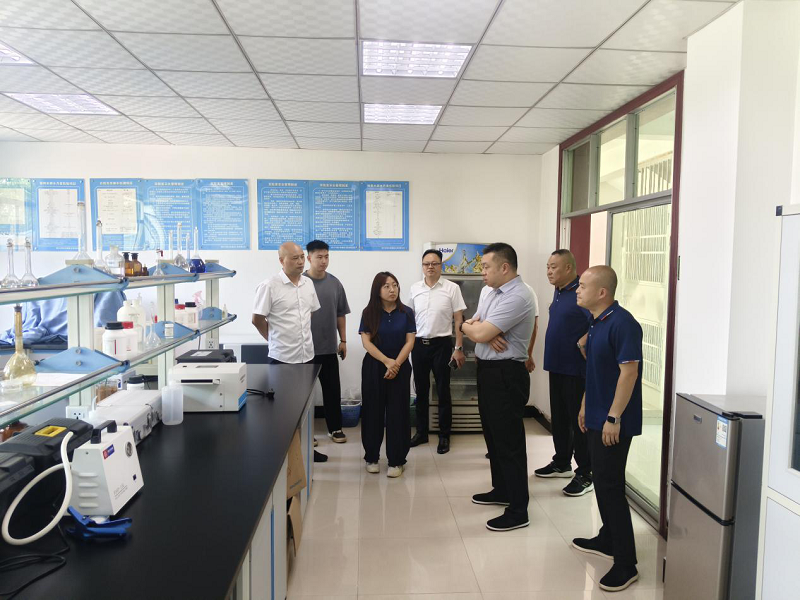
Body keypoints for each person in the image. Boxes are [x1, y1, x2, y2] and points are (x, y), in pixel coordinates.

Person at [573, 265, 642, 593]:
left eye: (583, 286)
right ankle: (607, 538)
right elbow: (597, 371)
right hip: (597, 415)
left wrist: (613, 417)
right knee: (601, 481)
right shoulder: (596, 321)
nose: (578, 290)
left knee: (611, 486)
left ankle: (626, 563)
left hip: (613, 421)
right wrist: (586, 405)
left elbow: (629, 373)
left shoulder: (623, 323)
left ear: (602, 292)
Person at [462, 243, 535, 532]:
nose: (482, 272)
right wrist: (478, 331)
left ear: (505, 267)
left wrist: (479, 332)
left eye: (486, 267)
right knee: (493, 437)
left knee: (509, 442)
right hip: (487, 371)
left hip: (507, 374)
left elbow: (478, 329)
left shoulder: (520, 295)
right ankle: (502, 490)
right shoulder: (488, 291)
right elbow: (474, 324)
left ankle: (518, 510)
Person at [252, 241, 327, 462]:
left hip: (307, 356)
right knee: (284, 412)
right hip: (282, 359)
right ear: (281, 261)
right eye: (295, 258)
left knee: (305, 408)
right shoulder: (269, 285)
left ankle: (305, 452)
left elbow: (309, 313)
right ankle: (284, 456)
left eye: (302, 257)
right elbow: (257, 319)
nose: (301, 261)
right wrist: (273, 339)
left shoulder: (308, 284)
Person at [535, 249, 594, 497]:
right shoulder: (559, 291)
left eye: (554, 267)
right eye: (547, 267)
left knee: (578, 423)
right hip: (556, 366)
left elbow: (599, 320)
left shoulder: (583, 291)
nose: (549, 272)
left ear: (568, 268)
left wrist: (585, 338)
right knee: (559, 419)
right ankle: (562, 462)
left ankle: (586, 473)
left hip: (575, 370)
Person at [408, 249, 467, 454]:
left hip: (442, 345)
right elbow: (410, 319)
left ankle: (444, 436)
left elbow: (459, 320)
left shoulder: (452, 288)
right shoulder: (415, 288)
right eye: (426, 264)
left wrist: (458, 348)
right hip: (418, 345)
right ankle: (421, 433)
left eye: (434, 263)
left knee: (443, 391)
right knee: (421, 390)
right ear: (422, 266)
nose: (430, 267)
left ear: (441, 265)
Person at [359, 272, 416, 478]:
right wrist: (386, 361)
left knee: (398, 412)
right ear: (378, 290)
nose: (392, 290)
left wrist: (396, 364)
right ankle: (371, 457)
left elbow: (410, 341)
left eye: (395, 285)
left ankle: (396, 460)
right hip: (374, 366)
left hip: (400, 367)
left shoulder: (406, 312)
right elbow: (366, 342)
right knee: (372, 411)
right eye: (386, 286)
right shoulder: (368, 313)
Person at [304, 240, 350, 444]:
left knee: (332, 391)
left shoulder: (335, 283)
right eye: (319, 257)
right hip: (304, 349)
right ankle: (306, 432)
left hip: (329, 347)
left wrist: (343, 340)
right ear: (309, 258)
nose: (323, 261)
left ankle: (335, 428)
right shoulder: (300, 283)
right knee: (304, 394)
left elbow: (341, 314)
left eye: (326, 256)